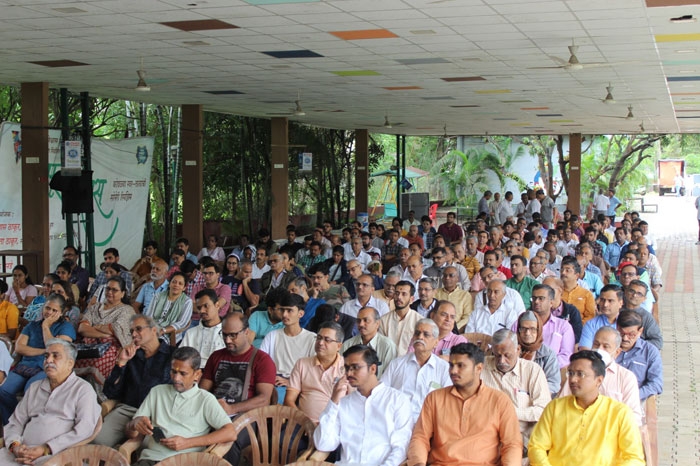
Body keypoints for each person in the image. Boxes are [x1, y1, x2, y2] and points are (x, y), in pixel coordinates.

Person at [407, 342, 522, 465]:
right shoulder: (434, 398)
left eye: (460, 366)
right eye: (451, 365)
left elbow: (512, 444)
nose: (453, 371)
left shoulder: (499, 401)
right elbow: (420, 438)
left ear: (478, 368)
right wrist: (418, 463)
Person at [528, 351, 645, 465]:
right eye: (571, 373)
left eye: (580, 374)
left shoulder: (620, 413)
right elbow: (536, 446)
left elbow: (634, 458)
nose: (573, 379)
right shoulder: (555, 407)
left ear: (599, 380)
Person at [126, 347, 236, 465]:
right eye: (173, 371)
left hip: (185, 462)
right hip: (150, 460)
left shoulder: (205, 400)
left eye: (183, 373)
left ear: (197, 374)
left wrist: (188, 442)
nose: (176, 378)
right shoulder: (157, 392)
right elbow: (131, 433)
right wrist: (134, 424)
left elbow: (230, 433)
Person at [0, 339, 101, 465]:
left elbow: (84, 430)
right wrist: (15, 446)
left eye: (55, 356)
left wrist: (46, 448)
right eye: (46, 356)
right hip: (20, 453)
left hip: (56, 455)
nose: (48, 360)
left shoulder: (82, 390)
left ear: (70, 363)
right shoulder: (35, 387)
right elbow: (16, 422)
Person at [313, 345, 414, 466]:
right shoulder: (343, 403)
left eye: (355, 367)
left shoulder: (397, 400)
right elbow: (323, 444)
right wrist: (333, 401)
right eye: (347, 368)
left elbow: (401, 448)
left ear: (372, 369)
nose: (349, 373)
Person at [95, 315, 174, 447]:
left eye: (138, 329)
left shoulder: (173, 355)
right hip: (128, 409)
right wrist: (121, 362)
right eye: (131, 331)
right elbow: (110, 392)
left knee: (150, 448)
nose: (134, 334)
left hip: (158, 414)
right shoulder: (131, 355)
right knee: (98, 440)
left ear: (153, 330)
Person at [0, 293, 76, 424]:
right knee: (3, 390)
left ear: (61, 312)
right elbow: (19, 347)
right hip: (24, 366)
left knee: (30, 391)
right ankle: (12, 423)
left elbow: (54, 348)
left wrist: (46, 326)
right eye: (47, 308)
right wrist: (43, 351)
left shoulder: (66, 327)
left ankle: (29, 425)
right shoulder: (32, 325)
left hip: (46, 368)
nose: (49, 312)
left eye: (54, 310)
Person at [559, 327, 643, 426]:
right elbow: (562, 406)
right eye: (596, 344)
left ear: (617, 352)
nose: (599, 349)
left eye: (606, 346)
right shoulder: (577, 373)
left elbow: (633, 416)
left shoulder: (626, 377)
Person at [481, 329, 550, 447]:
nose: (502, 361)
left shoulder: (532, 370)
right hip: (486, 435)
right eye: (497, 355)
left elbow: (543, 410)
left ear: (518, 350)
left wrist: (510, 412)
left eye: (507, 355)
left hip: (521, 437)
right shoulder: (481, 366)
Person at [381, 319, 451, 423]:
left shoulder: (444, 369)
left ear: (436, 342)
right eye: (417, 333)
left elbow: (447, 402)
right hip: (396, 421)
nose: (420, 337)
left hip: (428, 423)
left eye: (426, 334)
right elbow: (382, 393)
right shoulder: (396, 364)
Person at [74, 276, 135, 393]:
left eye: (114, 290)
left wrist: (95, 327)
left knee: (96, 364)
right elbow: (82, 329)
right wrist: (104, 334)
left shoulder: (127, 310)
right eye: (108, 289)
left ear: (122, 293)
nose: (110, 292)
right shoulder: (95, 307)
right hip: (88, 346)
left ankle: (97, 396)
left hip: (113, 348)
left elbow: (116, 329)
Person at [284, 321, 345, 423]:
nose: (320, 343)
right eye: (319, 338)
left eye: (327, 340)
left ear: (339, 346)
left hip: (335, 426)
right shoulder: (302, 364)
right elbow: (289, 400)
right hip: (302, 425)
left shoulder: (347, 368)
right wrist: (306, 423)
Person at [260, 291, 316, 400]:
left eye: (289, 310)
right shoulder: (272, 335)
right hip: (274, 381)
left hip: (300, 383)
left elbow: (314, 371)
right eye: (282, 310)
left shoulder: (312, 338)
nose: (284, 314)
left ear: (301, 314)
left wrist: (290, 381)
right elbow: (261, 361)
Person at [616, 310, 663, 402]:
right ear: (617, 328)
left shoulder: (650, 352)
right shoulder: (607, 348)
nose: (625, 338)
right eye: (621, 333)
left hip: (637, 399)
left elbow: (656, 384)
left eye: (631, 334)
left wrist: (633, 395)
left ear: (640, 331)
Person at [513, 311, 561, 397]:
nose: (527, 333)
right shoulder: (512, 350)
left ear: (539, 330)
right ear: (518, 330)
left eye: (532, 329)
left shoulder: (548, 354)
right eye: (523, 329)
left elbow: (553, 384)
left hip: (538, 398)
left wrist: (531, 394)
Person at [341, 307, 397, 377]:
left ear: (377, 323)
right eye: (358, 321)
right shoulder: (348, 345)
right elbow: (341, 371)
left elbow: (389, 376)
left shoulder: (388, 346)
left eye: (366, 320)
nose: (361, 324)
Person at [528, 284, 574, 368]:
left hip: (552, 370)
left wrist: (545, 366)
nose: (536, 301)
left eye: (541, 298)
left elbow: (566, 356)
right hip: (525, 368)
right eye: (534, 298)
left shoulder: (563, 326)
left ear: (551, 302)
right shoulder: (520, 323)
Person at [144, 271, 193, 344]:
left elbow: (182, 322)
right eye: (174, 282)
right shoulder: (158, 296)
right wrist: (152, 329)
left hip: (170, 335)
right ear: (169, 284)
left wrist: (163, 330)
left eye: (180, 284)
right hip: (152, 329)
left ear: (184, 288)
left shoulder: (187, 301)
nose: (176, 285)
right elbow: (149, 316)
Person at [181, 289, 226, 368]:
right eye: (199, 308)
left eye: (206, 306)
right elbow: (181, 358)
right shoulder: (191, 333)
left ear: (217, 305)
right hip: (194, 373)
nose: (202, 311)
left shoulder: (228, 334)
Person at [380, 280, 422, 355]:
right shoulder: (383, 320)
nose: (399, 297)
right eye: (397, 293)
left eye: (404, 294)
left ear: (411, 299)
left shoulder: (419, 321)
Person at [434, 266, 473, 331]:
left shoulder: (465, 295)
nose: (447, 278)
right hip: (438, 329)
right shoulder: (435, 293)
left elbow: (468, 316)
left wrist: (455, 327)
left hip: (458, 330)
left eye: (451, 275)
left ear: (457, 278)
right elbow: (432, 313)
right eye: (445, 275)